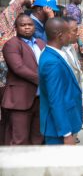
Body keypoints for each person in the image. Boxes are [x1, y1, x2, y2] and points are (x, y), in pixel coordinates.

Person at [1, 14, 45, 145]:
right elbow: (19, 68)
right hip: (20, 100)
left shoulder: (41, 43)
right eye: (23, 25)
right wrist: (44, 81)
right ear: (16, 28)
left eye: (30, 25)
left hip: (40, 99)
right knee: (19, 140)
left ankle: (34, 166)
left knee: (38, 139)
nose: (27, 28)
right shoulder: (11, 44)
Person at [39, 17, 83, 145]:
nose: (71, 35)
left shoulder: (56, 53)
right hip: (58, 129)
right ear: (60, 36)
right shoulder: (52, 62)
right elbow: (56, 100)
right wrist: (66, 133)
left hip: (65, 121)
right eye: (68, 32)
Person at [0, 0, 34, 145]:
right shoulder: (5, 24)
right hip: (7, 82)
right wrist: (28, 1)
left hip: (8, 83)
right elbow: (20, 0)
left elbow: (19, 1)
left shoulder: (6, 24)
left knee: (9, 123)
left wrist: (27, 2)